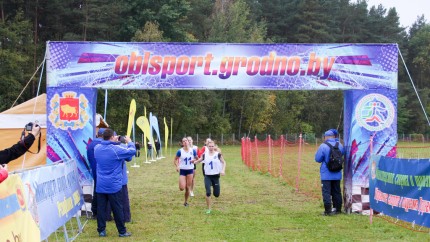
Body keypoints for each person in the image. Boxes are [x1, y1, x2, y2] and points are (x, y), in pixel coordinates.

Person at [94, 128, 135, 237]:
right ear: (112, 137)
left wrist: (115, 142)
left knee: (101, 209)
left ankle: (101, 230)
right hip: (114, 185)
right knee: (117, 209)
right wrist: (129, 142)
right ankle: (122, 231)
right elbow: (132, 152)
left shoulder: (97, 148)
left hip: (101, 185)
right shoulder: (116, 149)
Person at [314, 129, 344, 216]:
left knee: (326, 192)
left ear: (326, 137)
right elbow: (342, 155)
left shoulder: (323, 146)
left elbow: (318, 159)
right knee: (337, 191)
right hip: (337, 173)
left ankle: (328, 210)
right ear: (334, 136)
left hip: (326, 174)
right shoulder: (340, 145)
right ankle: (338, 209)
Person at [194, 140, 226, 214]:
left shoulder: (218, 154)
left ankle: (215, 189)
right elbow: (199, 160)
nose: (211, 147)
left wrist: (223, 170)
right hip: (207, 176)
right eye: (209, 146)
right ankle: (209, 208)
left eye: (212, 146)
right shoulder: (205, 155)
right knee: (208, 192)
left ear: (214, 146)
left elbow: (224, 162)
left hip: (216, 176)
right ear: (207, 147)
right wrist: (195, 162)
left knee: (216, 194)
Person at [86, 127, 105, 218]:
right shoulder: (102, 144)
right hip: (102, 170)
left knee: (96, 190)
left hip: (94, 170)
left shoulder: (91, 144)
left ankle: (94, 211)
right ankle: (98, 212)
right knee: (101, 192)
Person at [174, 137, 198, 207]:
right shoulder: (180, 151)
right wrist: (177, 166)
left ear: (188, 142)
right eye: (183, 141)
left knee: (187, 187)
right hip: (183, 170)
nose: (185, 142)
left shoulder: (193, 150)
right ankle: (182, 185)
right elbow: (175, 160)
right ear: (182, 143)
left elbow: (197, 158)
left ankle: (185, 202)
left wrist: (194, 160)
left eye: (186, 141)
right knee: (182, 188)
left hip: (190, 170)